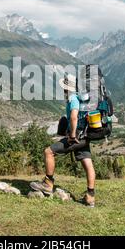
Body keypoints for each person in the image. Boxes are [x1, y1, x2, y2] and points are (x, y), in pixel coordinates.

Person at [30, 74, 96, 207]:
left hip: (76, 138)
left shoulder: (73, 98)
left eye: (64, 87)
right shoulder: (83, 99)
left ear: (67, 88)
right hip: (85, 137)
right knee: (87, 163)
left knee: (48, 152)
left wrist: (72, 135)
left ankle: (48, 184)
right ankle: (90, 197)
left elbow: (73, 117)